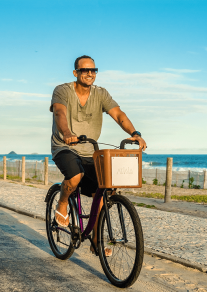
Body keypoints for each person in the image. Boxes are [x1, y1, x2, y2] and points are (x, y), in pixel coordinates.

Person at [50, 55, 147, 255]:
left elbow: (119, 114)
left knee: (103, 191)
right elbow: (59, 112)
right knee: (75, 176)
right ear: (76, 73)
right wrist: (67, 134)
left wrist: (134, 134)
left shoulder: (101, 94)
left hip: (90, 151)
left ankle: (96, 242)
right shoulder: (62, 90)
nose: (90, 73)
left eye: (93, 70)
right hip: (64, 147)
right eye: (85, 70)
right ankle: (62, 203)